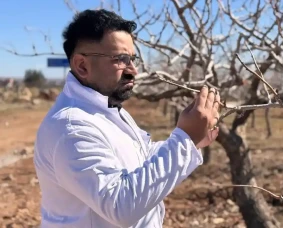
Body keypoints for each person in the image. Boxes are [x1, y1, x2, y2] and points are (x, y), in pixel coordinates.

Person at [33, 9, 220, 228]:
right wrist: (184, 140)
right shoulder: (71, 128)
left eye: (132, 59)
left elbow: (139, 159)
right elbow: (120, 206)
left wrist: (192, 140)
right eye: (121, 59)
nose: (134, 70)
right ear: (82, 66)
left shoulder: (105, 108)